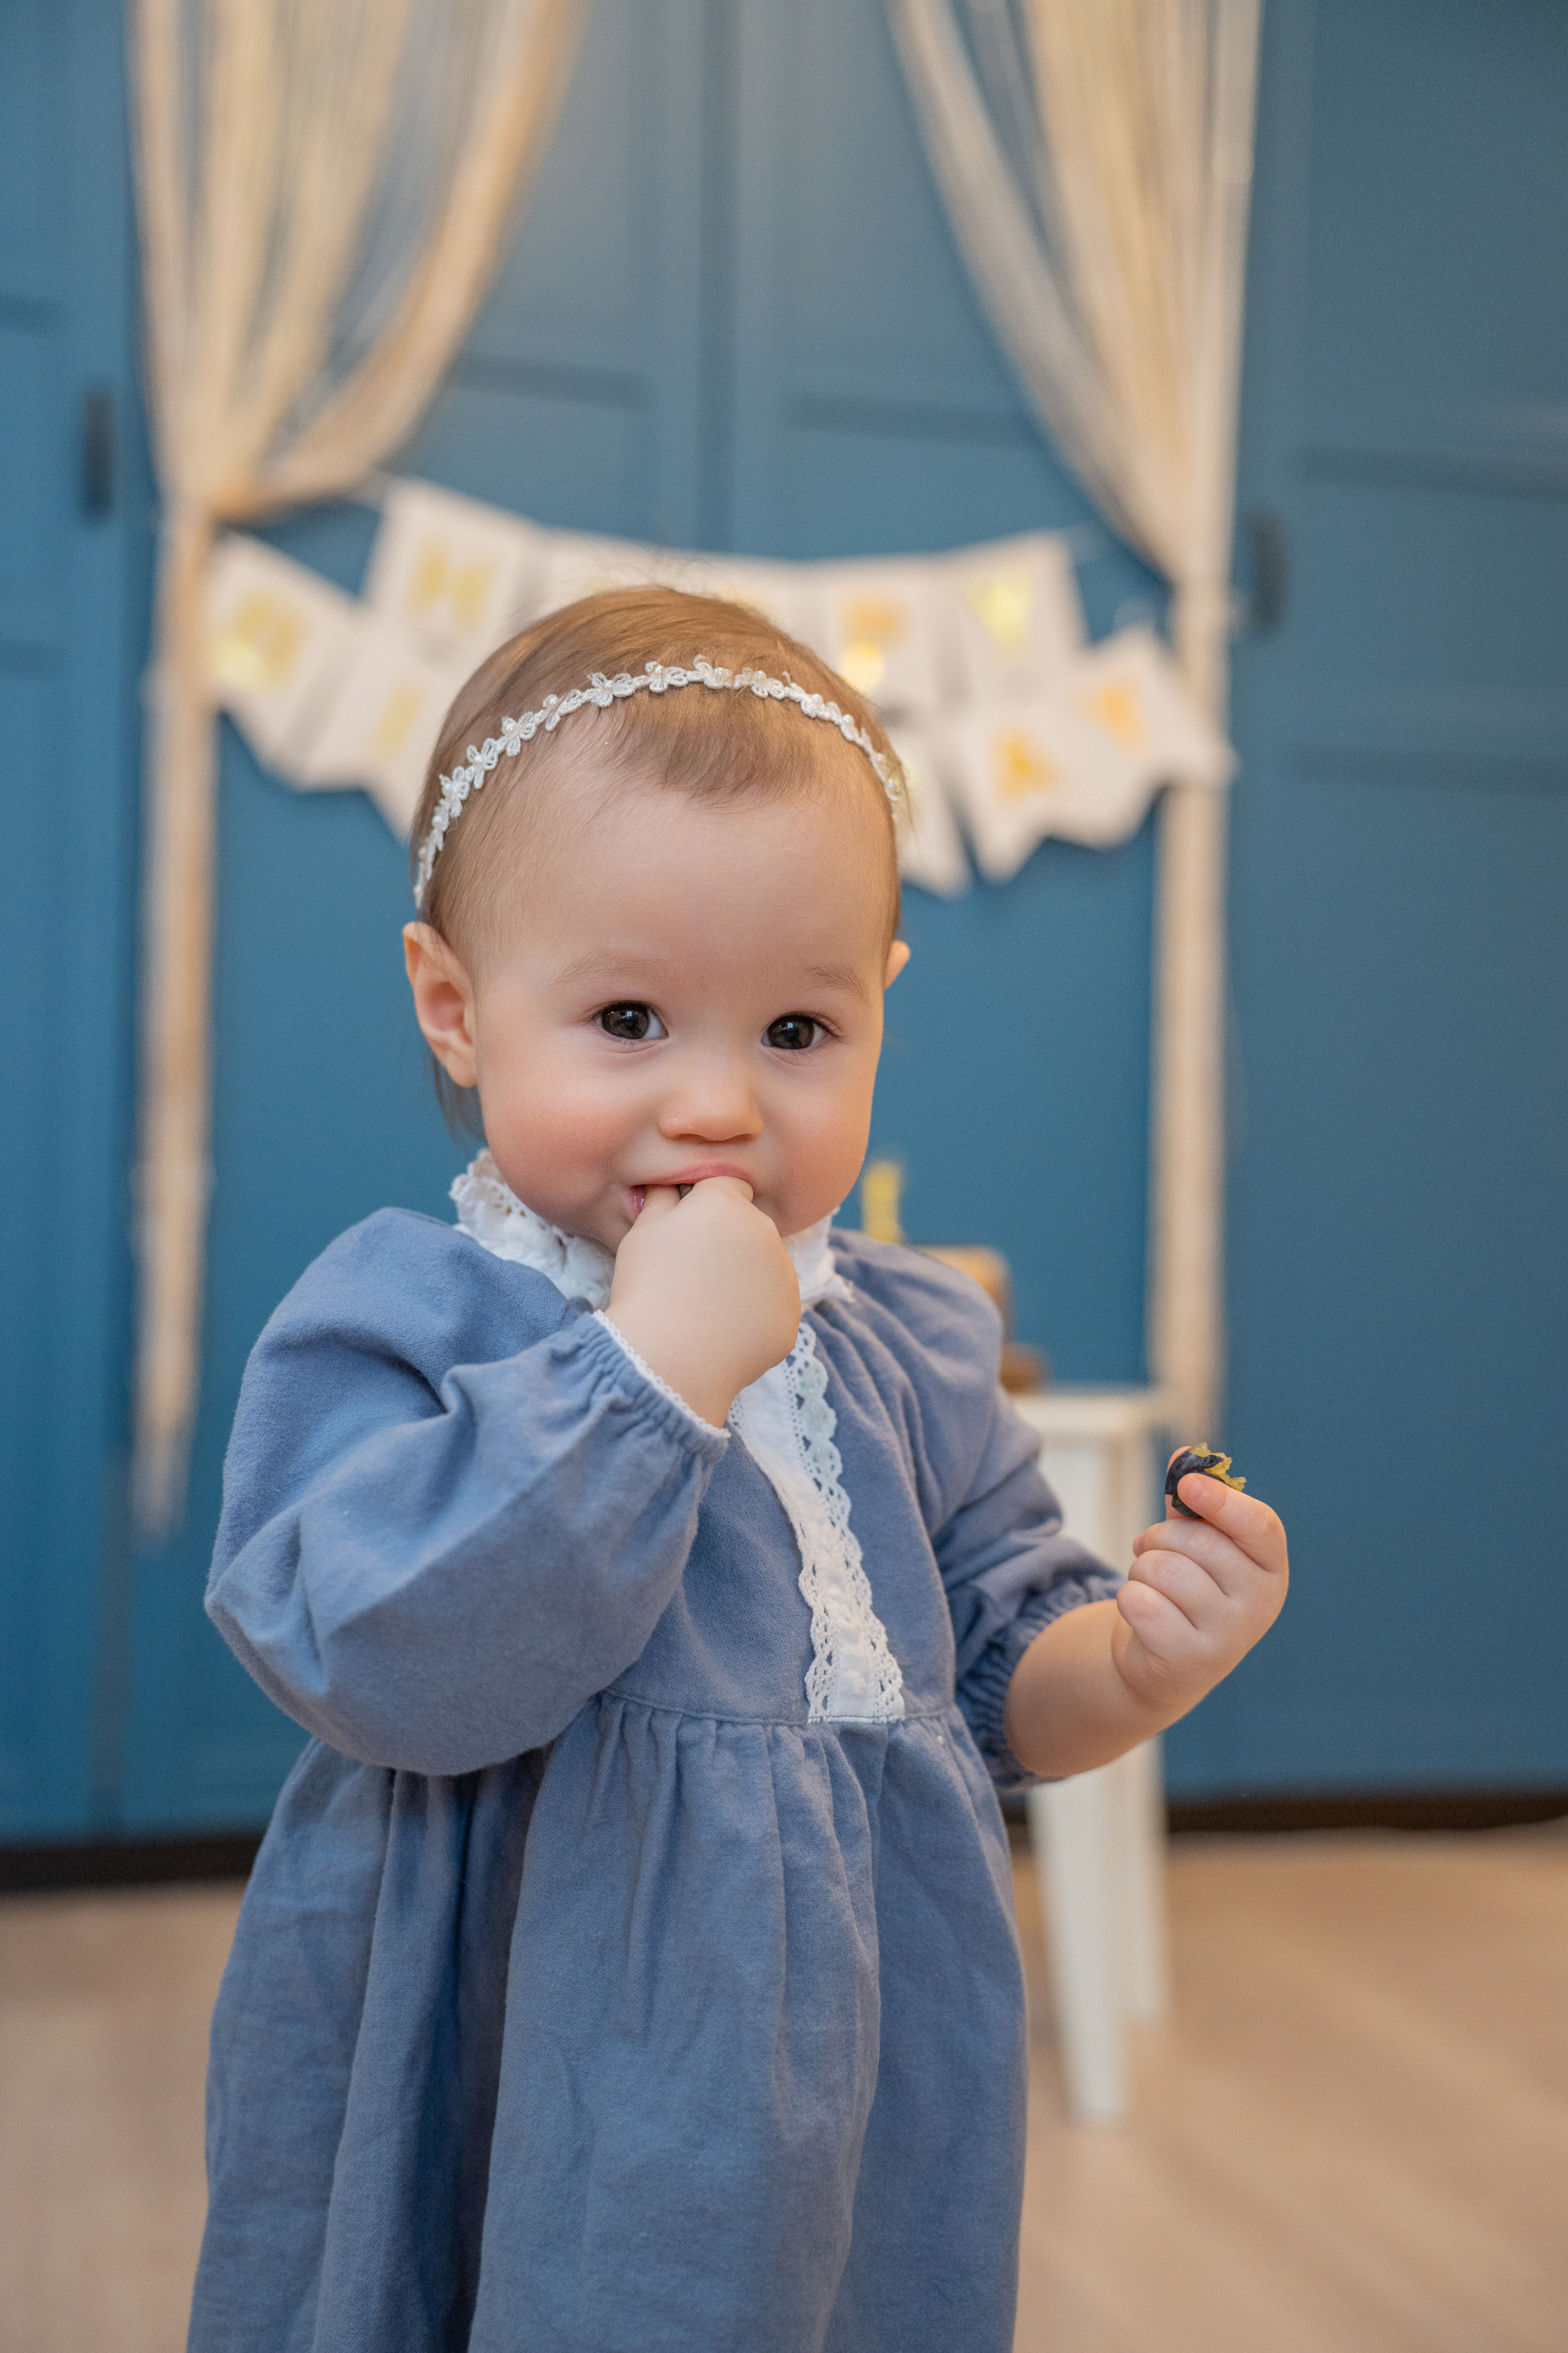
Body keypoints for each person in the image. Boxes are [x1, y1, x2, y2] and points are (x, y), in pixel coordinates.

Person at [189, 588, 1288, 2353]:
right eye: (630, 1016)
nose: (718, 1104)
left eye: (796, 1032)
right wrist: (649, 1374)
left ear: (879, 1010)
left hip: (858, 2066)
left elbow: (1001, 1678)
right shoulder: (406, 1318)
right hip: (523, 2059)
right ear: (455, 1006)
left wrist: (1141, 1660)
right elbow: (375, 1656)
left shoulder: (912, 1337)